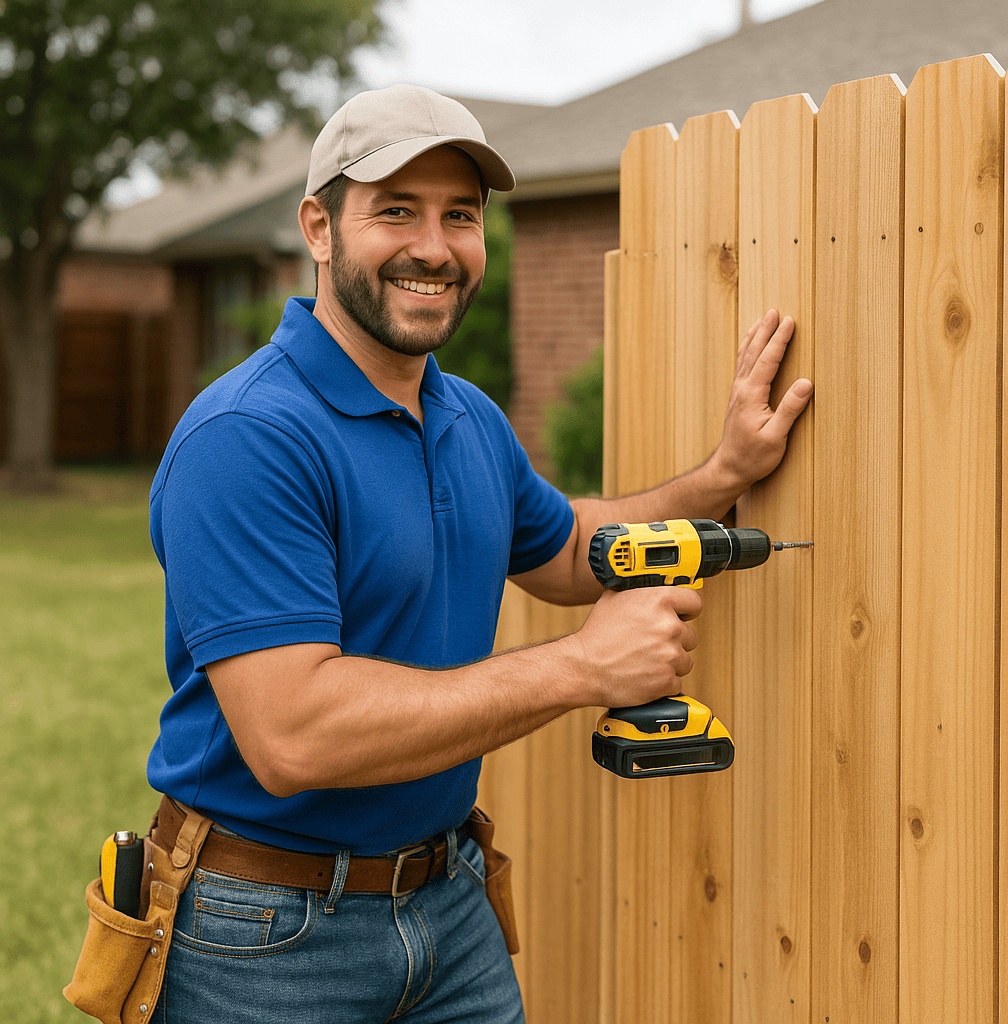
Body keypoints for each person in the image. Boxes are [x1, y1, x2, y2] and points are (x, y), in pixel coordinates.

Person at [146, 84, 812, 1023]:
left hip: (447, 905)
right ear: (319, 228)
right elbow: (293, 734)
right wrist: (584, 666)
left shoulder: (465, 418)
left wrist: (723, 474)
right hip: (265, 935)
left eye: (459, 214)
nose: (434, 245)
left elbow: (577, 550)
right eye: (395, 211)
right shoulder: (248, 437)